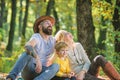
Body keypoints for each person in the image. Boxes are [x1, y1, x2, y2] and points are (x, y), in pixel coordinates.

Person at [6, 16, 59, 80]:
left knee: (56, 66)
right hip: (30, 70)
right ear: (40, 26)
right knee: (27, 54)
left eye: (51, 24)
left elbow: (63, 47)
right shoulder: (37, 37)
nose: (50, 24)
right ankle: (11, 77)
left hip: (42, 73)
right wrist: (37, 58)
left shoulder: (53, 40)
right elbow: (28, 46)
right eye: (47, 23)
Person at [55, 30, 120, 80]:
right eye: (66, 34)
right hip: (78, 76)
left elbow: (87, 62)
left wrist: (83, 72)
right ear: (62, 39)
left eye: (68, 33)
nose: (69, 34)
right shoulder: (62, 53)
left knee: (99, 58)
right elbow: (64, 67)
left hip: (87, 70)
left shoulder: (78, 45)